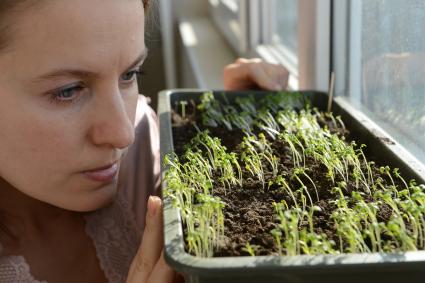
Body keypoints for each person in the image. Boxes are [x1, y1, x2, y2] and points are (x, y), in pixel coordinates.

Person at [0, 0, 289, 282]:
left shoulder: (144, 141)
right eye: (67, 91)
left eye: (129, 74)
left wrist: (230, 136)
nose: (123, 134)